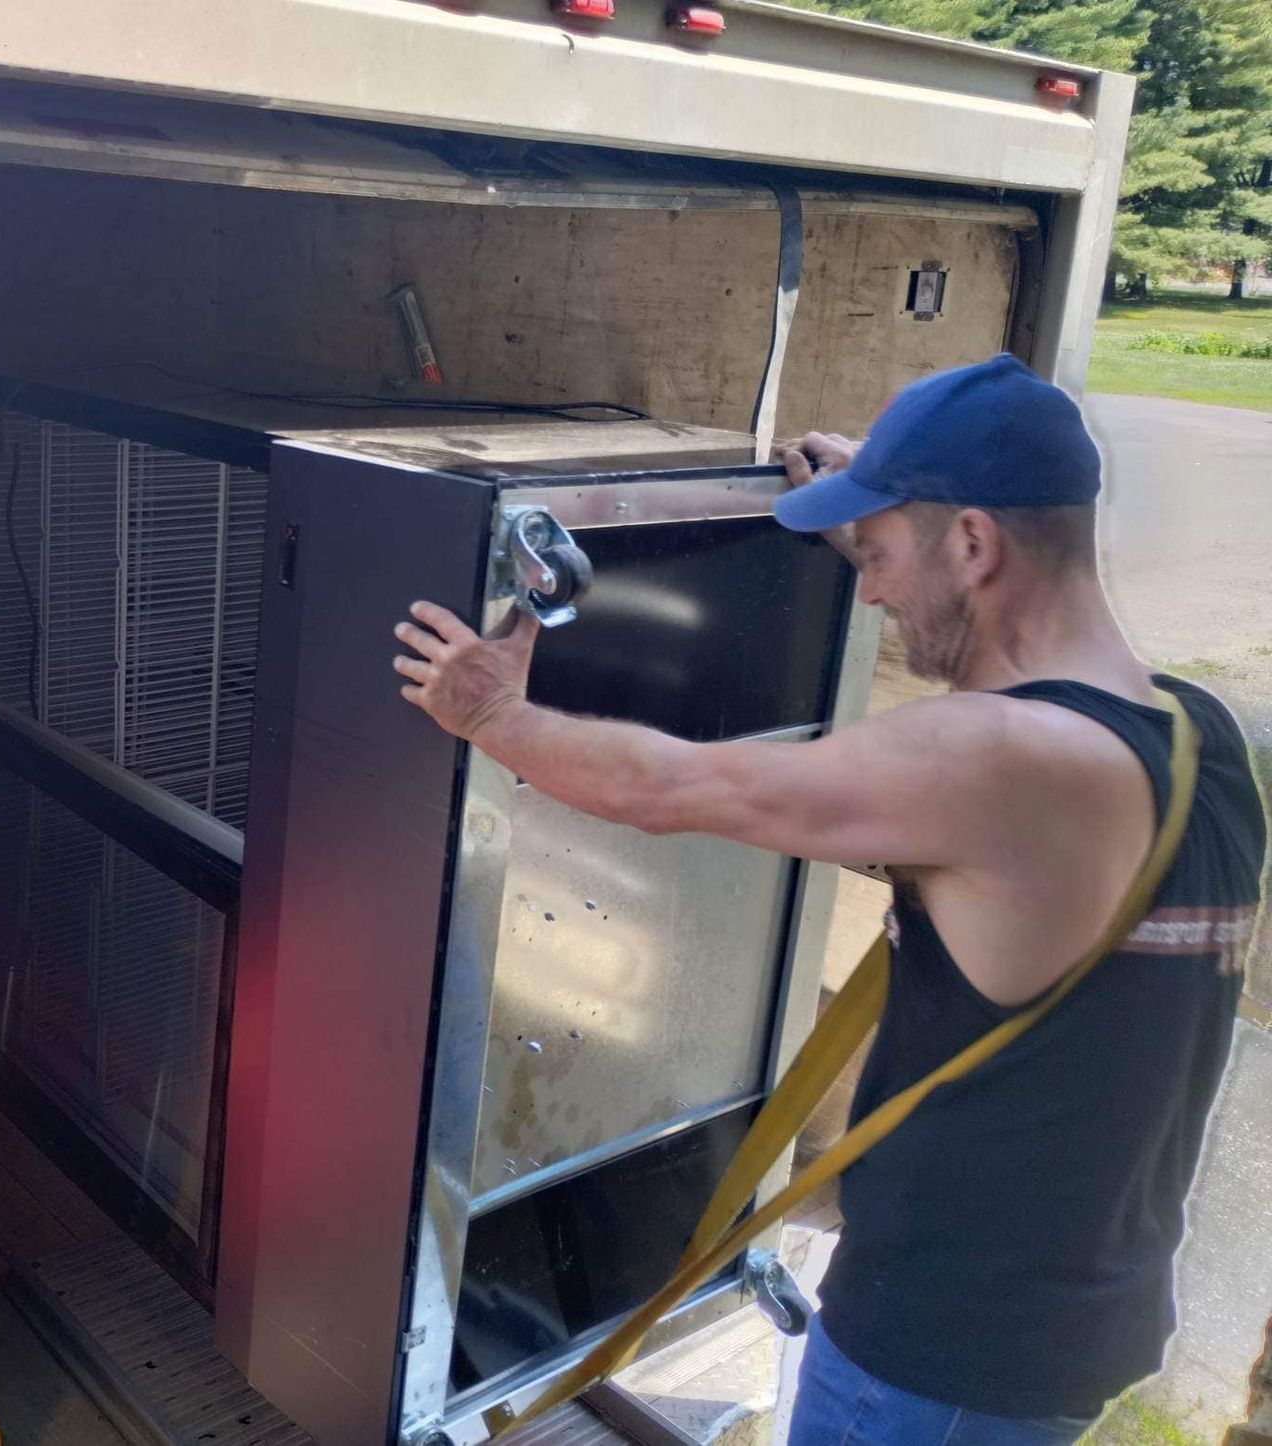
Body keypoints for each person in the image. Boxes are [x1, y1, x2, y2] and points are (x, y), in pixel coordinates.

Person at [393, 355, 1266, 1444]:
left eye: (886, 554)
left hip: (935, 1368)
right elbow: (994, 632)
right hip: (1061, 1335)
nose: (870, 587)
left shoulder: (996, 763)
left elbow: (670, 787)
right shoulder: (1197, 737)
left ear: (976, 543)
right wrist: (883, 500)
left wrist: (493, 714)